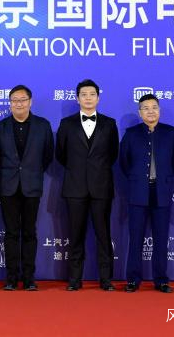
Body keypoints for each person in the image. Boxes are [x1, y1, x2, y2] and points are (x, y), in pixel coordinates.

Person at [56, 79, 119, 291]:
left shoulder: (109, 124)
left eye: (92, 94)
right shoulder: (67, 124)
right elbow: (61, 154)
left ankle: (106, 280)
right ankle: (74, 280)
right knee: (75, 235)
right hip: (75, 187)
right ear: (77, 99)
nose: (88, 98)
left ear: (98, 98)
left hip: (101, 187)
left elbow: (113, 154)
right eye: (84, 94)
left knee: (103, 235)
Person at [0, 85, 54, 291]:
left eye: (23, 100)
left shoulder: (43, 126)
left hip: (32, 185)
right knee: (10, 233)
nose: (19, 104)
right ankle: (11, 278)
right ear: (10, 103)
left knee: (29, 232)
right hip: (8, 186)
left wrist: (31, 171)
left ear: (30, 102)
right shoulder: (0, 127)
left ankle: (28, 278)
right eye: (15, 100)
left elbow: (47, 155)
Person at [120, 94, 174, 293]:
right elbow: (124, 162)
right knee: (135, 238)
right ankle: (133, 279)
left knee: (161, 239)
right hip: (138, 192)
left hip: (162, 192)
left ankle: (161, 280)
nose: (150, 111)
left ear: (159, 110)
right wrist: (137, 179)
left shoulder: (171, 133)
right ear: (140, 113)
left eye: (154, 107)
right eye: (145, 108)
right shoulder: (131, 134)